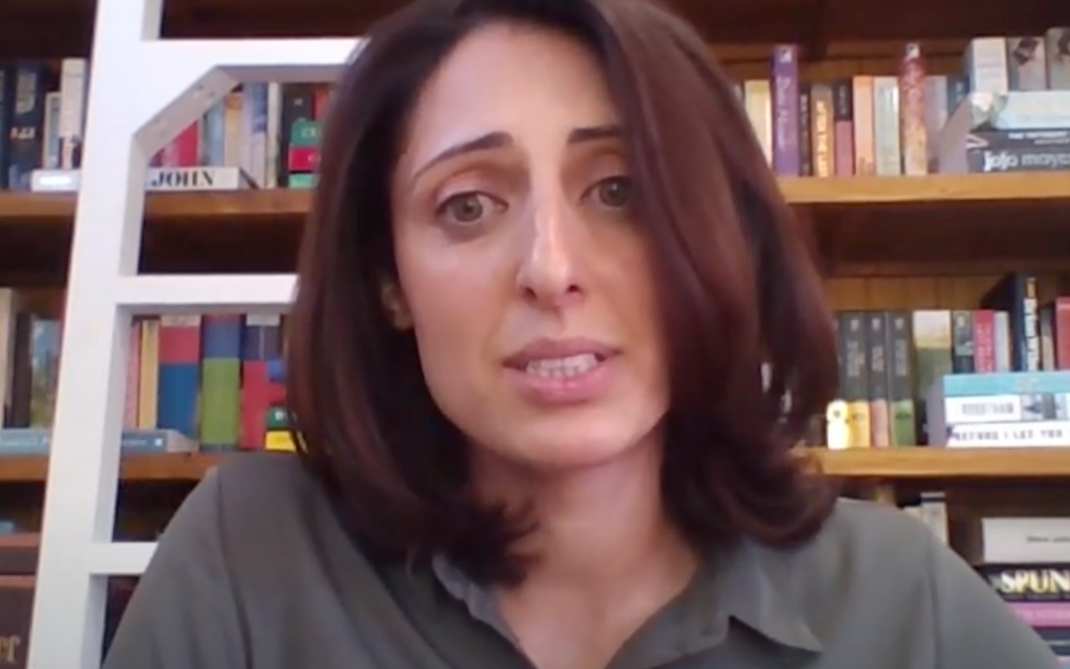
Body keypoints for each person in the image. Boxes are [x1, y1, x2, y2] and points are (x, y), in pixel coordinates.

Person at [101, 0, 1061, 667]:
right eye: (469, 205)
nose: (550, 267)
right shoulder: (249, 557)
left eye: (620, 192)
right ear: (388, 281)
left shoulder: (903, 602)